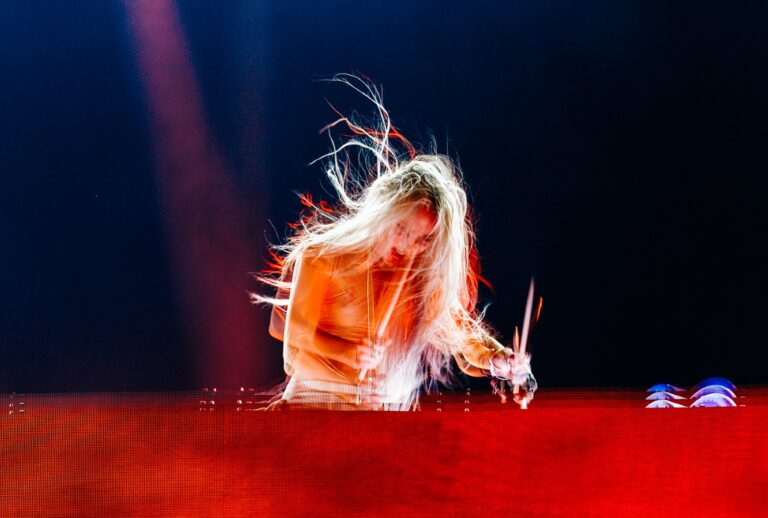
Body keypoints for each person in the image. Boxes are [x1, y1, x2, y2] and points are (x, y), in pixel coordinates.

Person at [253, 75, 533, 410]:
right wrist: (350, 354)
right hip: (313, 407)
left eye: (424, 239)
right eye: (401, 229)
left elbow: (466, 343)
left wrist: (500, 358)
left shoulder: (420, 280)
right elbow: (294, 342)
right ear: (383, 215)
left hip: (383, 421)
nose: (410, 245)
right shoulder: (322, 255)